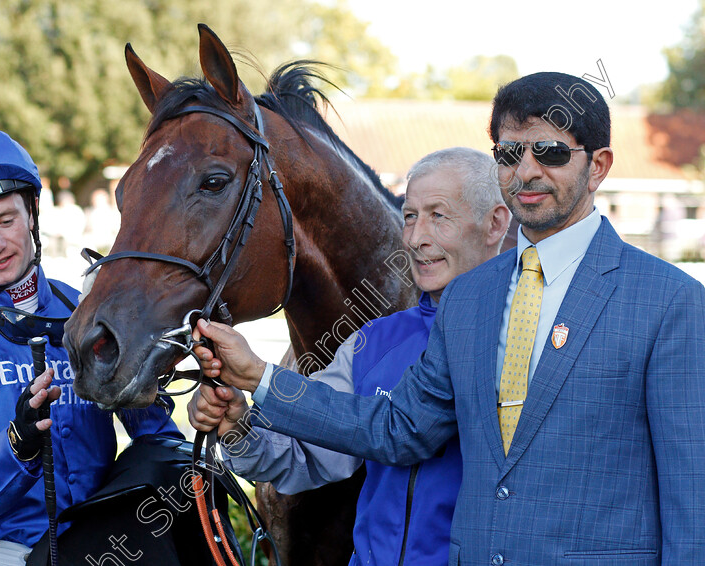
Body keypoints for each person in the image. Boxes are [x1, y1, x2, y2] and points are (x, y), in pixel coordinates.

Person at [189, 73, 705, 565]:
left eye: (548, 152)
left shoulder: (670, 303)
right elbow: (398, 430)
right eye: (508, 154)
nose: (525, 171)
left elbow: (692, 499)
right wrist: (259, 378)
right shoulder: (468, 301)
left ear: (598, 166)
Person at [188, 147, 511, 565]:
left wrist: (260, 376)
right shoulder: (374, 340)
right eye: (410, 215)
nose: (415, 237)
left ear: (495, 223)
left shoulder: (524, 338)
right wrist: (238, 428)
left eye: (438, 215)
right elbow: (305, 455)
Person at [0, 125, 179, 565]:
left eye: (6, 220)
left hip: (102, 541)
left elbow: (157, 436)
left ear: (32, 212)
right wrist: (17, 443)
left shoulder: (88, 311)